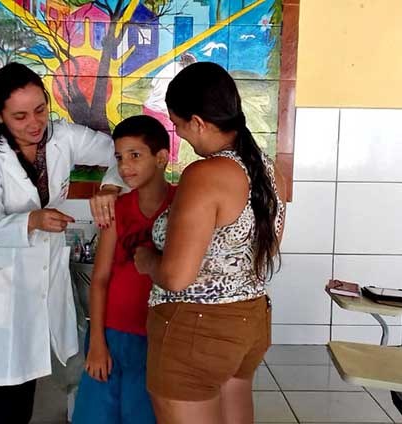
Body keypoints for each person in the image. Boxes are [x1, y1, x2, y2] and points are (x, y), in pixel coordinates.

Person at [0, 62, 123, 424]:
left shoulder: (63, 138)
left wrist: (111, 186)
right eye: (20, 116)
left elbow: (120, 151)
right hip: (6, 281)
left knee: (30, 373)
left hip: (47, 274)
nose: (35, 123)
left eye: (40, 110)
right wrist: (32, 220)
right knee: (4, 379)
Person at [134, 62, 287, 424]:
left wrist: (147, 260)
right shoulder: (269, 170)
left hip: (197, 329)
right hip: (250, 321)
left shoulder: (205, 174)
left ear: (199, 122)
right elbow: (266, 248)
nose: (180, 135)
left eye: (179, 125)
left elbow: (176, 277)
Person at [72, 116, 177, 424]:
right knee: (96, 415)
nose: (125, 166)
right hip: (112, 333)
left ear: (161, 158)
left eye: (135, 155)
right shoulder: (117, 209)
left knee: (144, 413)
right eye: (119, 157)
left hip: (159, 335)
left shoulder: (182, 205)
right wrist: (96, 342)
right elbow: (100, 278)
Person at [142, 52, 197, 163]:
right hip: (162, 110)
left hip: (149, 107)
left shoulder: (171, 66)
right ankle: (172, 160)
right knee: (174, 136)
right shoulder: (184, 75)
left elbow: (153, 83)